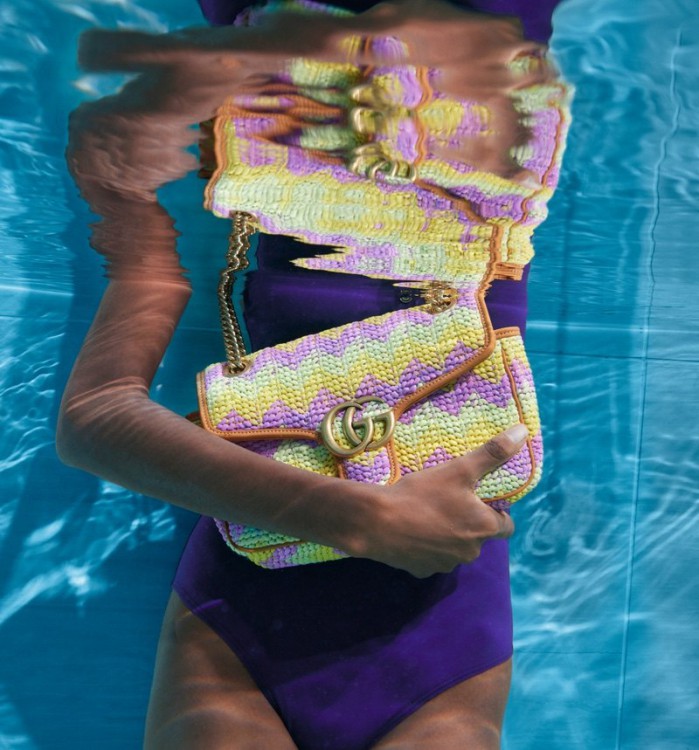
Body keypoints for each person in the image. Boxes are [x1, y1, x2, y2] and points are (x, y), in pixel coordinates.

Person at [59, 1, 564, 747]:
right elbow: (92, 421)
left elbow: (96, 420)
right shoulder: (210, 97)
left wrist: (358, 518)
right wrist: (364, 518)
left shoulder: (229, 77)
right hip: (352, 607)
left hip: (255, 603)